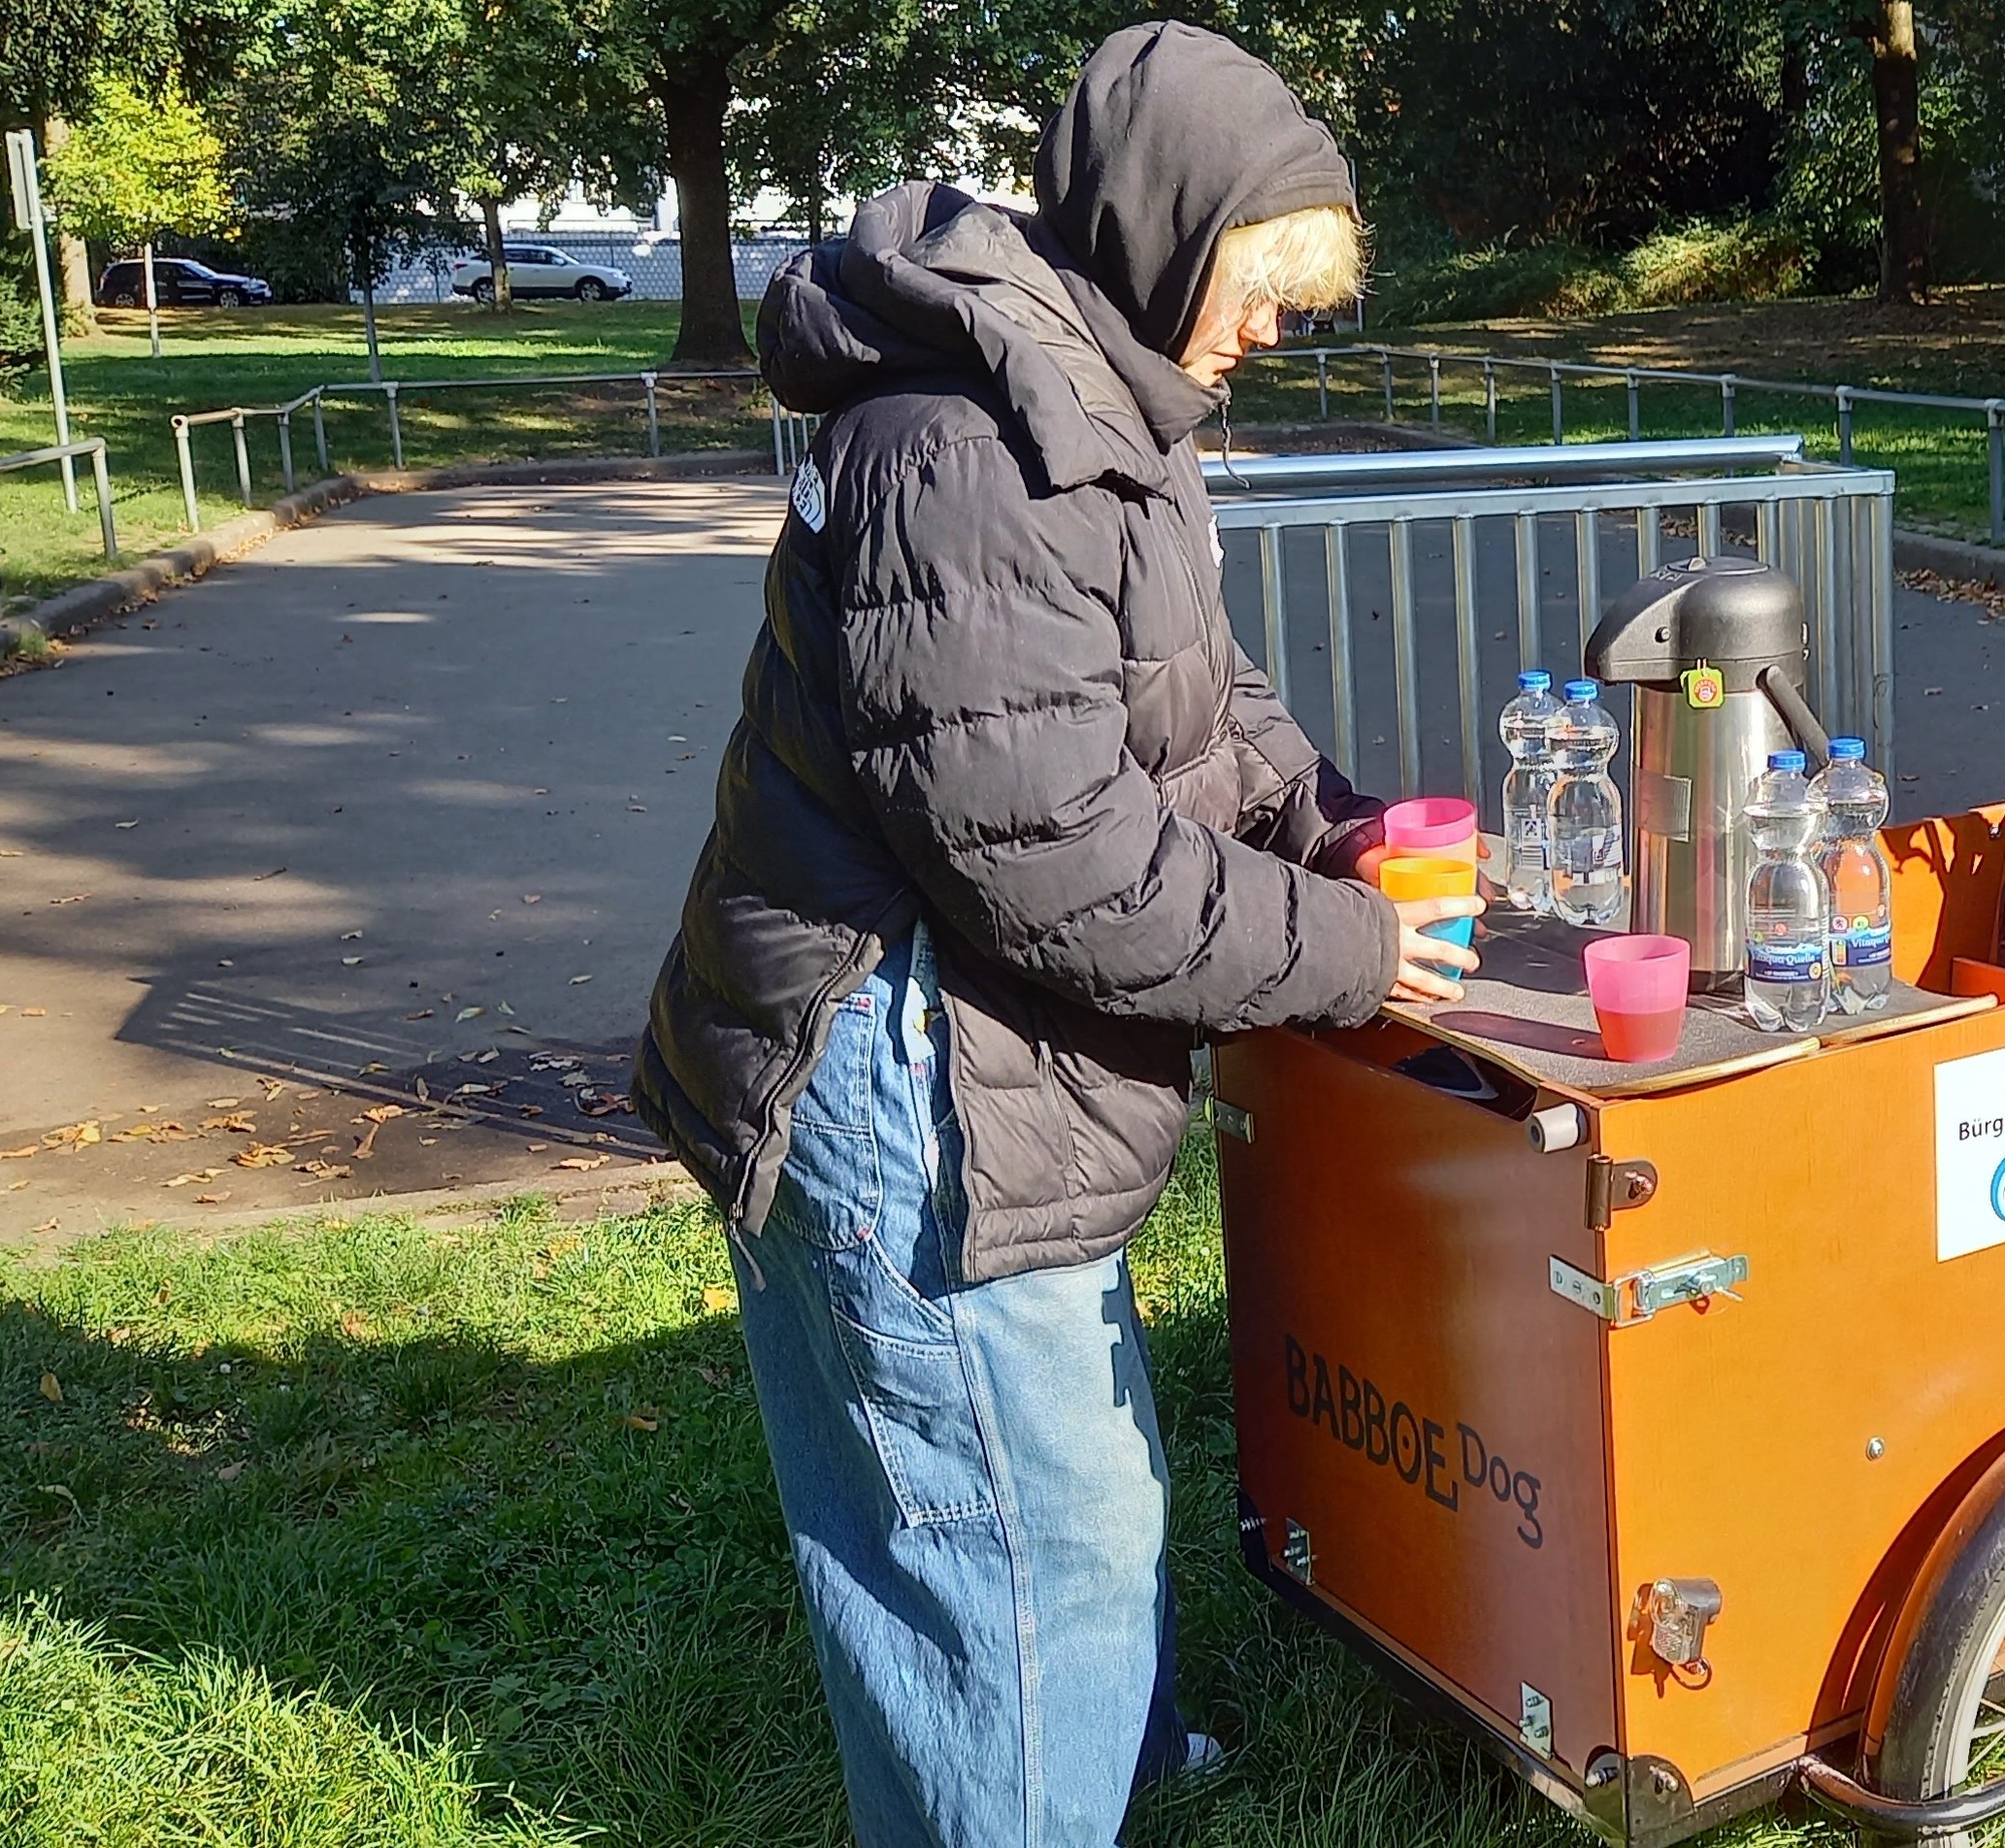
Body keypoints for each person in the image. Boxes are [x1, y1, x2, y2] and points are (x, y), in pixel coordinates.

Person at [628, 23, 1476, 1848]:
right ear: (1165, 233)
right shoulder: (967, 453)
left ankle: (1097, 1746)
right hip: (904, 1061)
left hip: (964, 1042)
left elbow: (1196, 695)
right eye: (1260, 286)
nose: (1272, 333)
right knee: (1003, 1525)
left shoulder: (1099, 394)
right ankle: (1028, 1790)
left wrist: (1332, 822)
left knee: (1034, 1478)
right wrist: (1347, 955)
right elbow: (1059, 859)